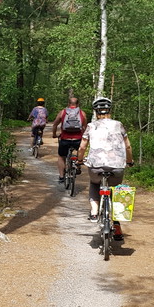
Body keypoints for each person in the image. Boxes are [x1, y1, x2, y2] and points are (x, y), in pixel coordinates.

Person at [76, 96, 133, 240]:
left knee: (95, 183)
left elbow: (82, 146)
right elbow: (127, 146)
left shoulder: (91, 126)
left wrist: (79, 160)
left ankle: (94, 211)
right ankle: (117, 224)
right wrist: (129, 161)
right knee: (115, 189)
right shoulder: (118, 125)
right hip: (117, 167)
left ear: (96, 112)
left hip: (96, 166)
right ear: (110, 110)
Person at [51, 97, 88, 183]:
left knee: (61, 156)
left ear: (68, 104)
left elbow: (55, 124)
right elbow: (85, 127)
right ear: (78, 104)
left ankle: (61, 177)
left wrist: (54, 134)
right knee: (80, 151)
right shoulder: (82, 113)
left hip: (65, 139)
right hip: (78, 139)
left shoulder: (63, 112)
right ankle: (78, 166)